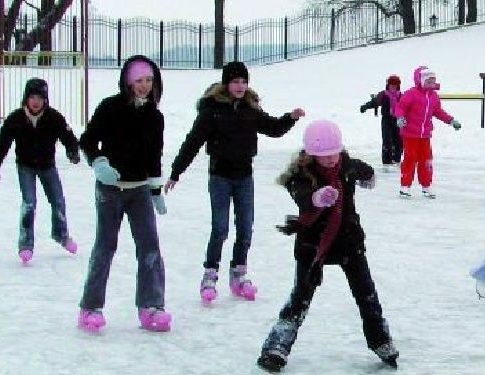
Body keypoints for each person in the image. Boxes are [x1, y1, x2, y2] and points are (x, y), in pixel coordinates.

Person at [256, 120, 398, 372]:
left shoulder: (346, 166)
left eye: (334, 153)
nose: (331, 159)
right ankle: (277, 346)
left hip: (348, 241)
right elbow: (300, 194)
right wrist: (316, 198)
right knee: (300, 296)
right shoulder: (302, 174)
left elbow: (364, 170)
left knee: (366, 294)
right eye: (324, 155)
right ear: (311, 154)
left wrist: (370, 177)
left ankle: (381, 340)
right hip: (313, 243)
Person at [164, 61, 305, 304]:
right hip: (220, 176)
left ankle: (239, 273)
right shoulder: (212, 110)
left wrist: (290, 118)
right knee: (220, 228)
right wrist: (176, 172)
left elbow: (272, 128)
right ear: (226, 83)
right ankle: (210, 275)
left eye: (243, 81)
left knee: (245, 228)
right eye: (235, 81)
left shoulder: (251, 108)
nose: (240, 86)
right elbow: (193, 141)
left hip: (244, 177)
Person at [77, 55, 171, 333]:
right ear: (128, 82)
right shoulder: (111, 107)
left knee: (150, 248)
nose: (144, 86)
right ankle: (90, 307)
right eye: (139, 80)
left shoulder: (155, 116)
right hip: (110, 191)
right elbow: (88, 140)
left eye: (149, 80)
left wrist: (155, 190)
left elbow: (155, 155)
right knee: (105, 247)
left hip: (139, 190)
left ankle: (151, 306)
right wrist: (99, 162)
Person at [0, 78, 80, 264]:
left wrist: (72, 151)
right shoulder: (16, 119)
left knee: (58, 200)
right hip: (26, 167)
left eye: (40, 97)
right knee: (29, 203)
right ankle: (26, 244)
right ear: (26, 99)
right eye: (32, 97)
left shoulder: (53, 117)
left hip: (48, 166)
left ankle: (61, 234)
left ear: (45, 100)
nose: (36, 102)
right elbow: (2, 145)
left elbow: (68, 136)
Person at [395, 66, 461, 199]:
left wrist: (451, 120)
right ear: (420, 80)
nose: (432, 84)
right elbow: (400, 107)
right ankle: (405, 185)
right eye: (428, 81)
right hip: (410, 134)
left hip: (425, 135)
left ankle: (426, 185)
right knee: (410, 159)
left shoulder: (433, 96)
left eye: (433, 80)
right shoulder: (411, 94)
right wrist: (400, 118)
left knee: (426, 160)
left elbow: (438, 112)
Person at [360, 75, 403, 171]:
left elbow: (408, 107)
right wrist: (365, 107)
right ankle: (387, 162)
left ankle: (397, 160)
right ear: (388, 85)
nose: (393, 87)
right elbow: (374, 102)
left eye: (395, 85)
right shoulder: (383, 94)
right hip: (386, 119)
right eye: (391, 85)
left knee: (399, 140)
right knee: (387, 139)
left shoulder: (401, 96)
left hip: (399, 119)